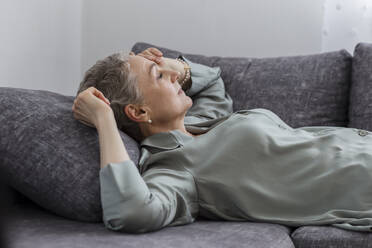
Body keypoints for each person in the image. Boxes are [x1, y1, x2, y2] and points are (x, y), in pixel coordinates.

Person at [72, 47, 372, 234]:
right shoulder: (173, 169)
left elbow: (213, 80)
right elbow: (131, 212)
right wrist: (104, 120)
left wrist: (177, 67)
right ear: (138, 111)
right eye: (159, 76)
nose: (173, 77)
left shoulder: (201, 120)